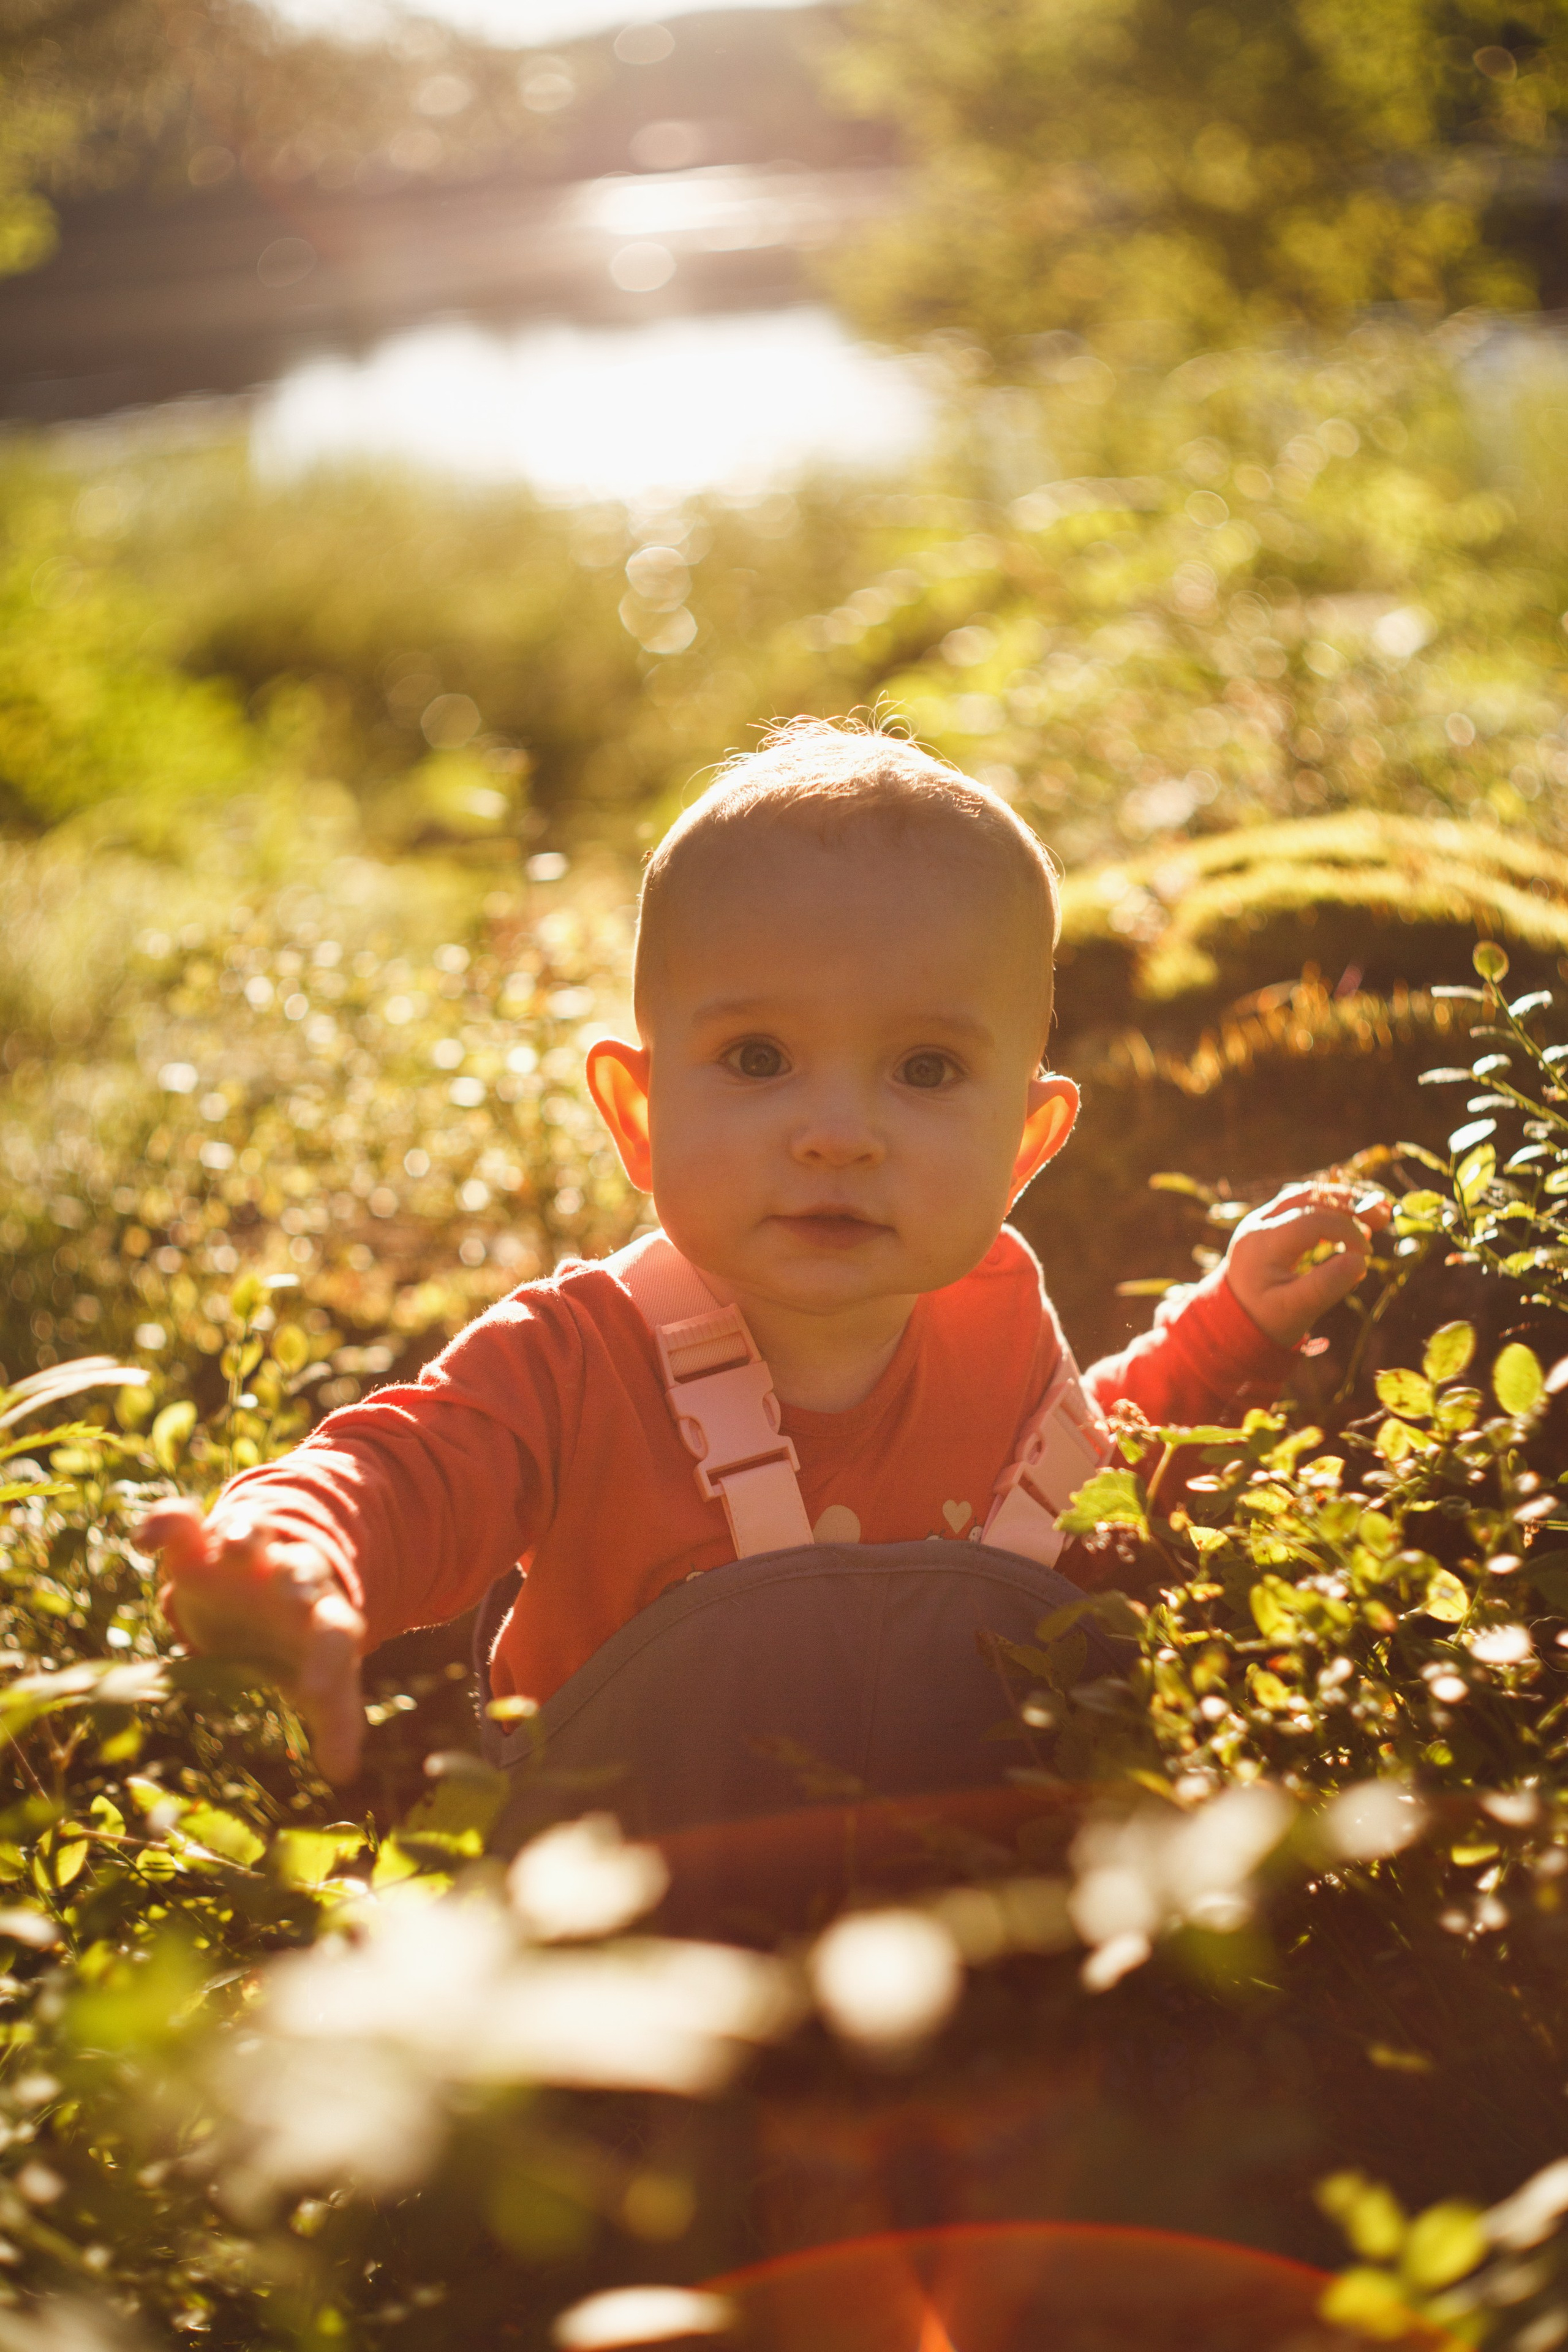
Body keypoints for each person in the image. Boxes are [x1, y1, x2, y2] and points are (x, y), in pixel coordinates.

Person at [137, 719, 1389, 1785]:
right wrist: (296, 1552)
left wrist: (1225, 1332)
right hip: (626, 1969)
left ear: (1026, 1139)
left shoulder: (996, 1327)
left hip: (966, 1943)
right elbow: (402, 1471)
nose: (837, 1134)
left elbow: (1087, 1489)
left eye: (925, 1069)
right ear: (638, 1116)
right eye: (755, 1059)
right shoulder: (575, 1360)